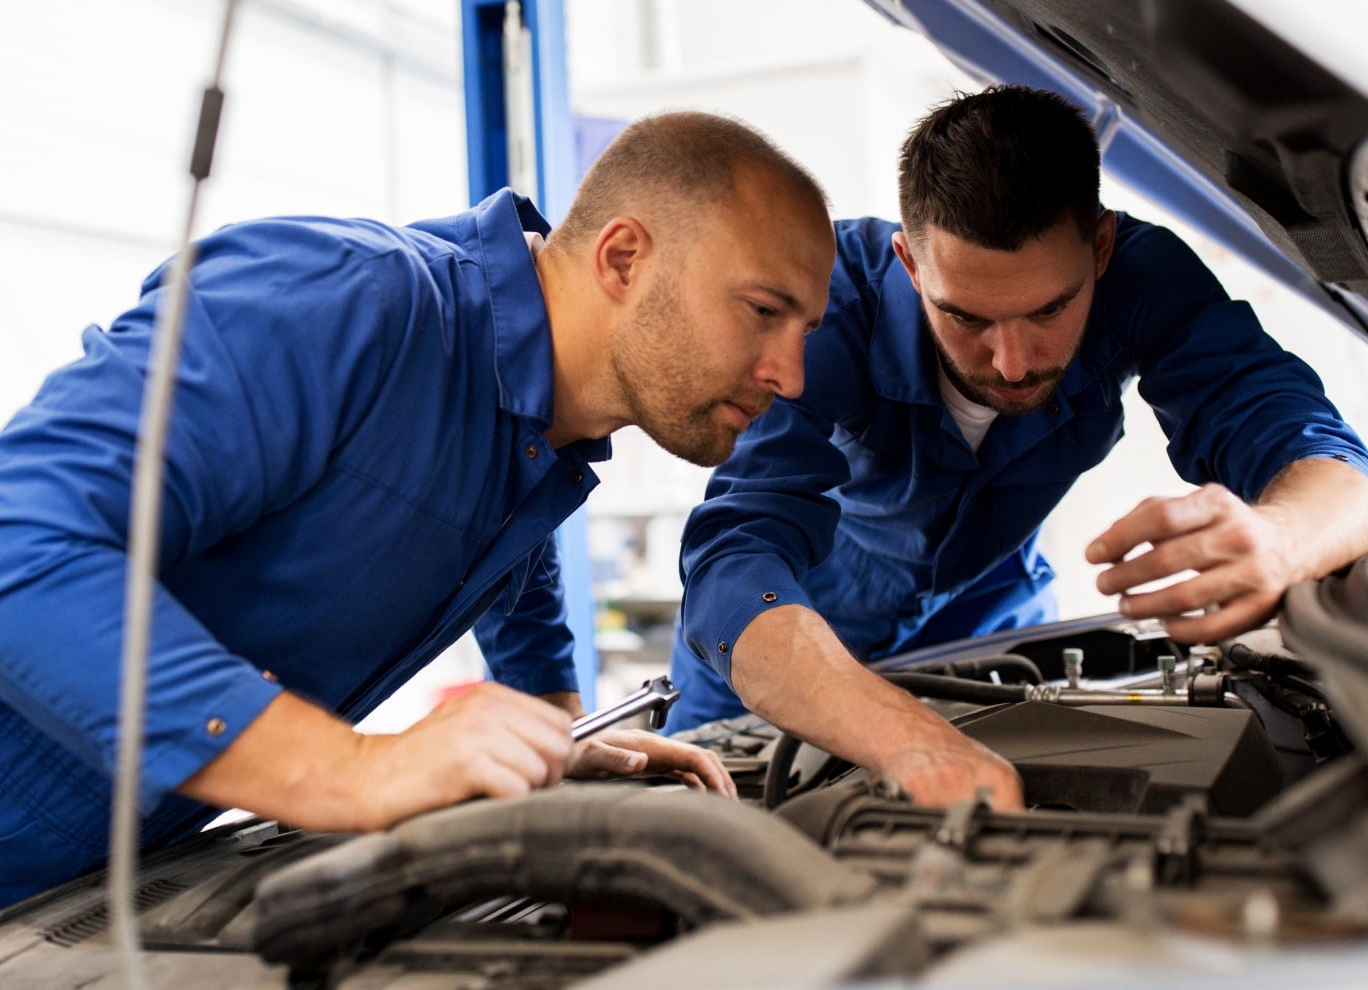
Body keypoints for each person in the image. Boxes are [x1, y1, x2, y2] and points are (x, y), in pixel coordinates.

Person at [0, 110, 837, 906]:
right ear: (622, 259)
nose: (790, 375)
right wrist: (352, 769)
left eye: (804, 330)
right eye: (763, 312)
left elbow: (506, 555)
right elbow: (22, 538)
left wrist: (555, 736)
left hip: (93, 884)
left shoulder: (541, 427)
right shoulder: (343, 303)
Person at [669, 84, 1368, 810]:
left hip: (988, 627)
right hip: (786, 648)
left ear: (1099, 249)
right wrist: (899, 733)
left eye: (1049, 310)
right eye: (964, 315)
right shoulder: (824, 306)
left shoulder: (1143, 279)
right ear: (911, 265)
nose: (1010, 362)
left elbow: (1328, 461)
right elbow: (732, 556)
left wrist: (1280, 538)